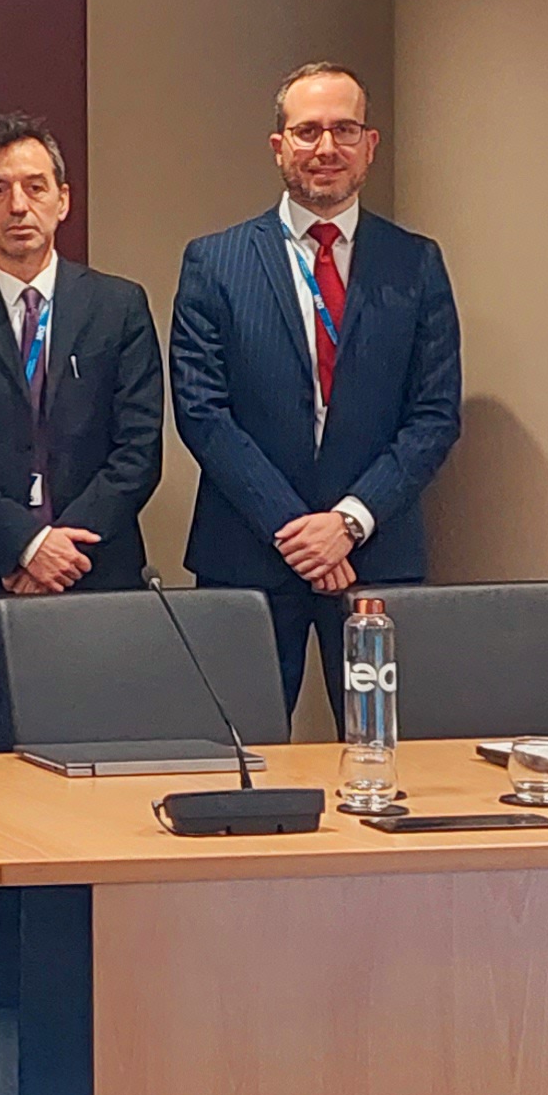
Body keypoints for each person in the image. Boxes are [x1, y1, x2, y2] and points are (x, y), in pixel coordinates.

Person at [168, 62, 466, 713]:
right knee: (241, 762)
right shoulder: (214, 263)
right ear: (278, 146)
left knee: (383, 752)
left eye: (343, 130)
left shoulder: (415, 263)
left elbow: (434, 416)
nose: (325, 148)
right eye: (307, 132)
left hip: (374, 557)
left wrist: (348, 523)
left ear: (370, 145)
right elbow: (202, 412)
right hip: (246, 553)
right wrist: (296, 529)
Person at [0, 114, 166, 753]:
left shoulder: (119, 305)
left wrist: (60, 552)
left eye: (35, 187)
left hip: (93, 582)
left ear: (63, 199)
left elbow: (139, 451)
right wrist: (24, 544)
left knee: (97, 783)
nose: (18, 205)